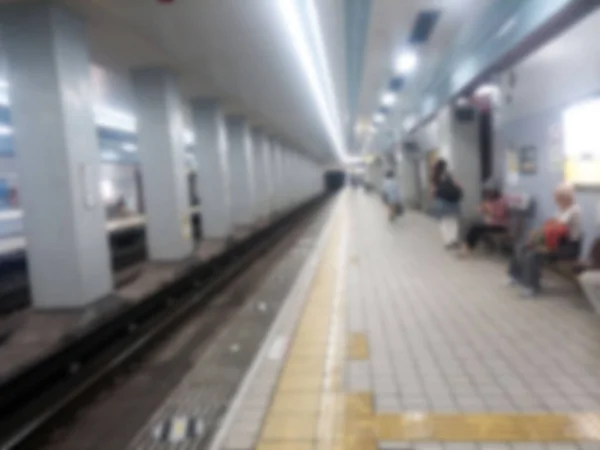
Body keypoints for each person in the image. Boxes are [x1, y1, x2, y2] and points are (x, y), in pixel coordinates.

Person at [508, 182, 582, 297]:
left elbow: (557, 228)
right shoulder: (561, 209)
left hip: (567, 247)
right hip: (555, 242)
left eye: (557, 197)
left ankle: (532, 287)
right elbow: (550, 227)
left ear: (566, 197)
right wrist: (534, 234)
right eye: (556, 197)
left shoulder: (574, 210)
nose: (555, 200)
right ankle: (515, 276)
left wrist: (538, 238)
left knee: (532, 254)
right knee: (522, 246)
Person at [458, 186, 509, 257]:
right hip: (491, 224)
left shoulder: (502, 202)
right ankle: (467, 246)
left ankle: (468, 248)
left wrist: (488, 209)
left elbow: (499, 214)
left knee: (476, 228)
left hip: (500, 226)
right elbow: (480, 210)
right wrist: (482, 208)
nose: (488, 195)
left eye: (489, 193)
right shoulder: (490, 202)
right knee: (471, 225)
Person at [431, 159, 462, 248]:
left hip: (441, 202)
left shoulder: (435, 176)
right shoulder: (449, 175)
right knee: (453, 222)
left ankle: (447, 242)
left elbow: (433, 191)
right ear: (445, 166)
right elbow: (458, 185)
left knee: (444, 223)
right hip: (452, 201)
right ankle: (454, 240)